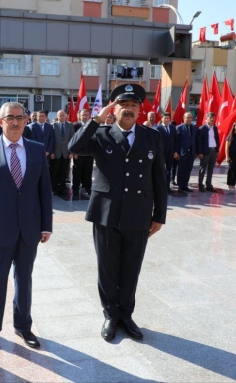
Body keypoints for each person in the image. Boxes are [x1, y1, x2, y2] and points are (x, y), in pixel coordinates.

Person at [69, 83, 167, 342]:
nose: (129, 109)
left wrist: (159, 216)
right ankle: (110, 314)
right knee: (107, 267)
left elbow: (159, 178)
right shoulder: (101, 134)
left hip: (139, 213)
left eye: (134, 105)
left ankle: (126, 315)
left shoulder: (152, 137)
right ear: (114, 109)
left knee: (131, 268)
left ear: (140, 110)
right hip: (106, 212)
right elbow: (74, 147)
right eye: (124, 105)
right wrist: (95, 120)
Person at [0, 101, 53, 354]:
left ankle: (23, 327)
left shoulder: (37, 149)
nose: (15, 122)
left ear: (26, 120)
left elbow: (44, 190)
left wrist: (46, 225)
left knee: (24, 280)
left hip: (29, 229)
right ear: (0, 121)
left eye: (19, 117)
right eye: (10, 118)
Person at [50, 110, 75, 195]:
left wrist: (71, 152)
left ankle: (62, 188)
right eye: (60, 115)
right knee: (55, 171)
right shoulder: (53, 125)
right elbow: (51, 140)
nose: (61, 117)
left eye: (63, 115)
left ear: (66, 116)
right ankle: (54, 188)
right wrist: (52, 152)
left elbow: (72, 139)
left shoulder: (70, 125)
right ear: (57, 116)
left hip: (66, 153)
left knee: (64, 171)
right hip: (56, 152)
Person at [196, 112, 220, 193]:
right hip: (205, 151)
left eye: (213, 118)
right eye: (210, 117)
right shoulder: (202, 129)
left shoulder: (215, 128)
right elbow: (199, 142)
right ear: (206, 119)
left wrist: (217, 150)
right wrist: (200, 152)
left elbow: (217, 139)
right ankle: (200, 184)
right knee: (203, 168)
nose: (212, 119)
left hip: (213, 150)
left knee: (211, 168)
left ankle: (209, 185)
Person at [72, 109, 93, 196]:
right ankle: (75, 188)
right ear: (79, 116)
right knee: (77, 171)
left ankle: (88, 188)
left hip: (89, 153)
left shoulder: (92, 125)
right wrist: (74, 152)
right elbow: (73, 140)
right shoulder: (75, 126)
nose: (85, 116)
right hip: (78, 153)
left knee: (88, 171)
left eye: (87, 115)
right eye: (83, 115)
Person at [175, 112, 197, 193]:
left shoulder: (194, 128)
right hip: (182, 153)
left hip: (191, 153)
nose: (189, 119)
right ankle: (180, 186)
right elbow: (176, 141)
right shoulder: (179, 128)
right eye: (187, 117)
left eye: (191, 118)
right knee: (181, 170)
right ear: (184, 118)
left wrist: (196, 151)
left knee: (188, 170)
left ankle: (185, 185)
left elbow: (195, 140)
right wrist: (176, 152)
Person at [157, 113, 176, 194]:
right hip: (161, 154)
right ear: (162, 119)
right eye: (165, 118)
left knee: (168, 171)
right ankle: (160, 188)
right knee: (160, 171)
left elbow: (175, 140)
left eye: (168, 118)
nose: (166, 120)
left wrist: (175, 151)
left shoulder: (172, 128)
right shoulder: (158, 128)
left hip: (170, 154)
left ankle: (167, 187)